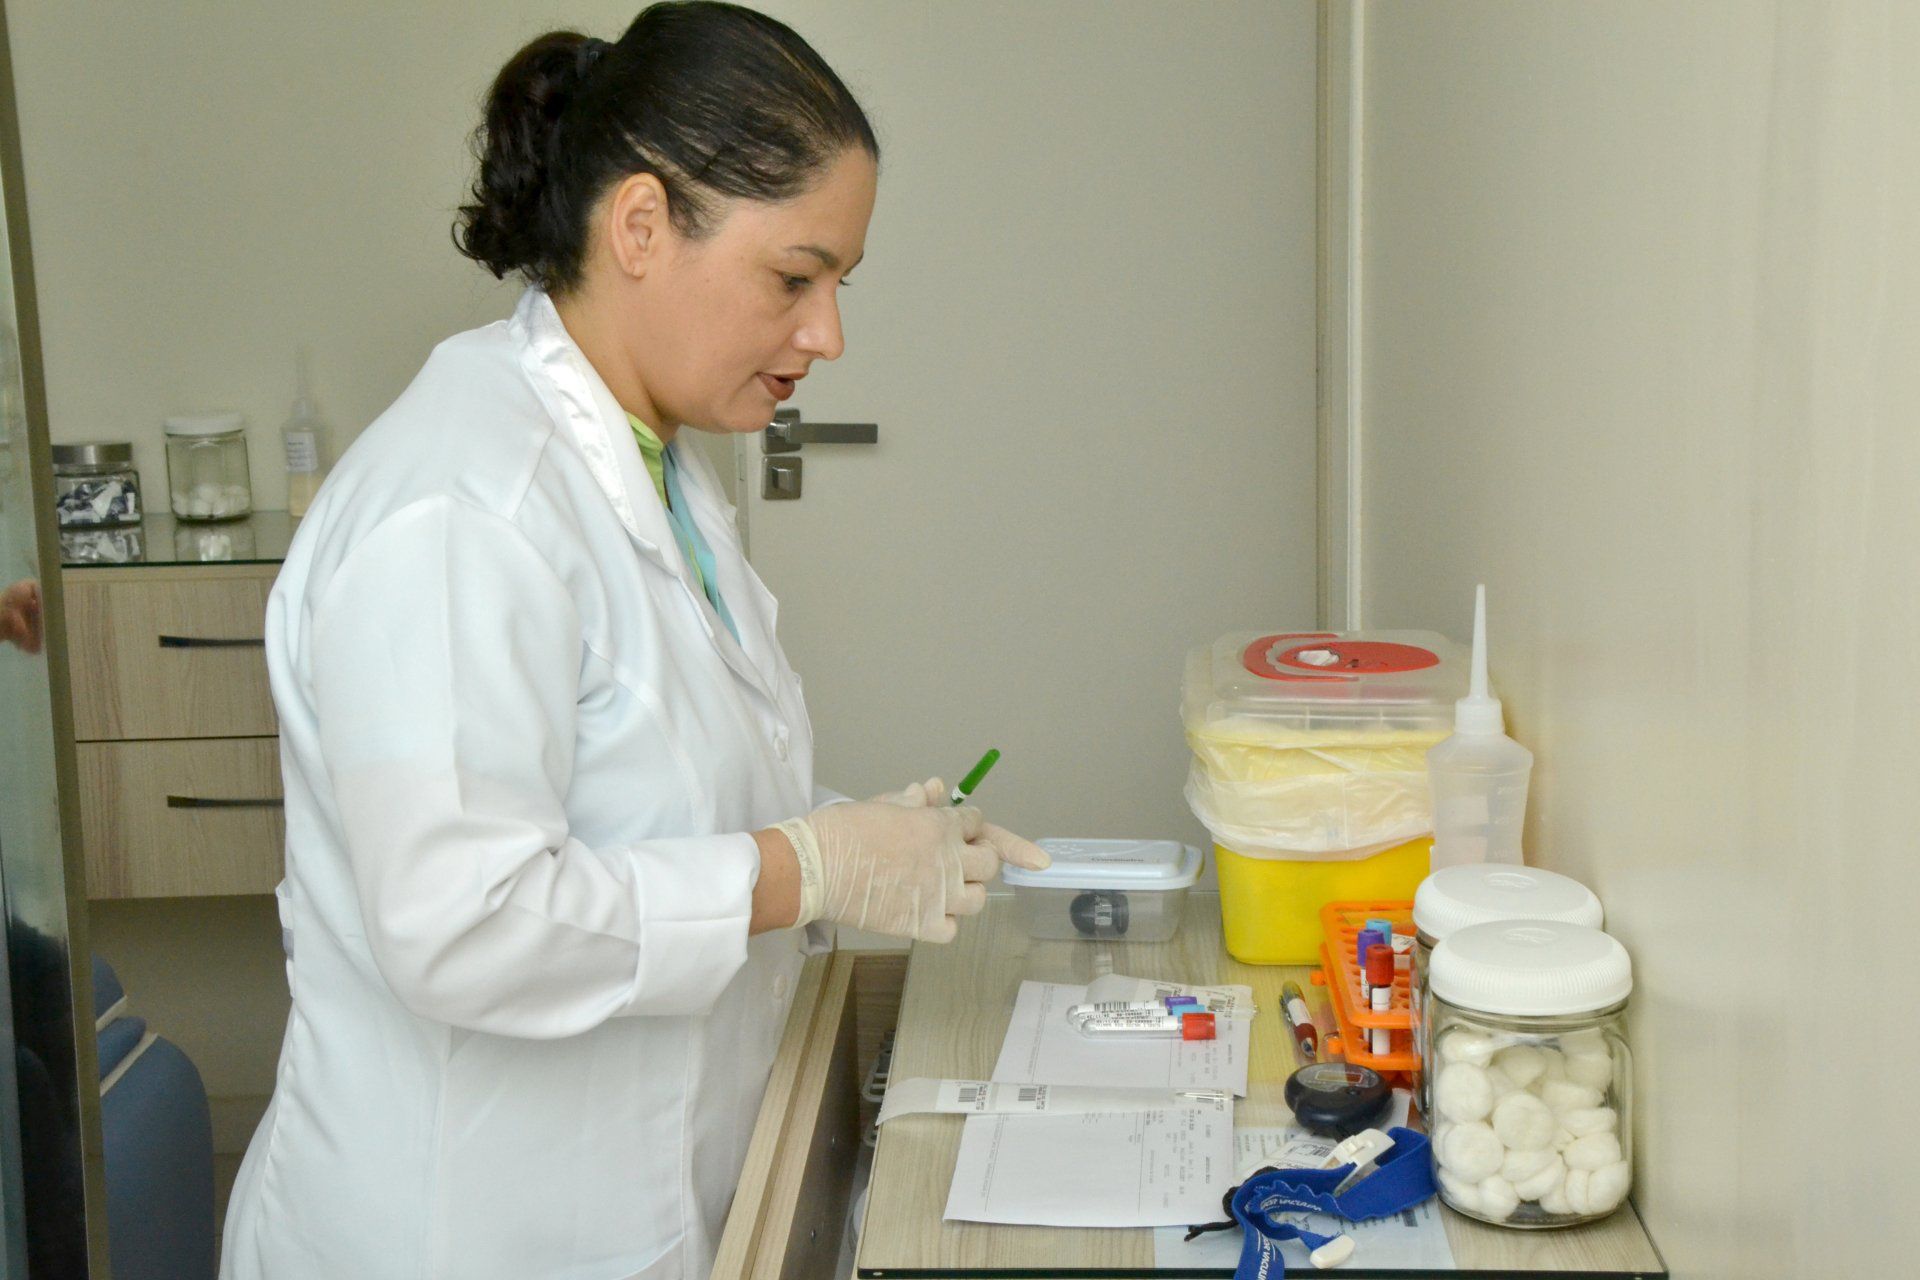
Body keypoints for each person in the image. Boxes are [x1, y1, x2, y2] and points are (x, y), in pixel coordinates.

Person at [218, 5, 1048, 1277]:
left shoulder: (653, 466)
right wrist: (810, 868)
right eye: (795, 277)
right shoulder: (462, 507)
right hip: (458, 1235)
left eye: (842, 284)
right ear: (643, 225)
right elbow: (464, 920)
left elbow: (647, 804)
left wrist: (865, 838)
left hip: (632, 1205)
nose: (828, 334)